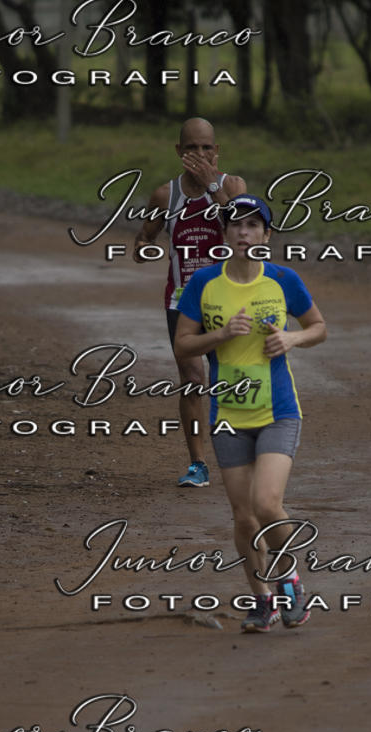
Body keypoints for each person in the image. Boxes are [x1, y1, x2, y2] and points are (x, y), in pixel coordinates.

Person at [174, 194, 327, 632]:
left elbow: (319, 327)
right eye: (236, 224)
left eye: (253, 225)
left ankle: (290, 580)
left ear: (267, 234)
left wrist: (291, 339)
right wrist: (219, 334)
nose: (244, 232)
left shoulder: (283, 279)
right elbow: (183, 344)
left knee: (266, 503)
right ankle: (263, 601)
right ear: (224, 234)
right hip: (228, 414)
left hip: (278, 410)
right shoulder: (203, 283)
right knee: (243, 516)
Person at [133, 118, 246, 487]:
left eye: (206, 148)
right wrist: (144, 246)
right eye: (191, 148)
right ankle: (198, 463)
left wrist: (214, 186)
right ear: (178, 151)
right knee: (193, 380)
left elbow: (241, 231)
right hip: (182, 301)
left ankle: (239, 455)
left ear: (217, 151)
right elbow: (144, 238)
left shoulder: (233, 186)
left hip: (228, 299)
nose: (199, 154)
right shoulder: (165, 196)